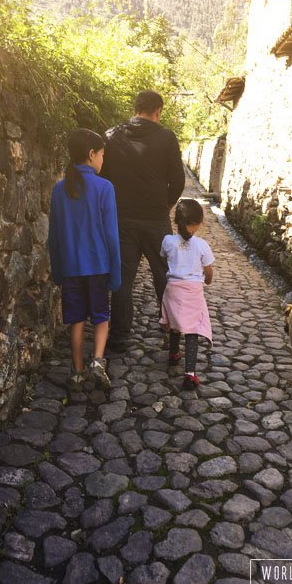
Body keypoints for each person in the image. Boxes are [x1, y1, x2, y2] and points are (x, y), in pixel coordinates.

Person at [102, 90, 185, 352]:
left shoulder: (111, 136)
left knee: (123, 279)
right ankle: (170, 330)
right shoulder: (166, 138)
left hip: (121, 219)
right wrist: (165, 205)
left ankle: (119, 337)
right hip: (155, 219)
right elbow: (179, 180)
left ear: (135, 107)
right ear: (157, 111)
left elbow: (103, 177)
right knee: (165, 276)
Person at [48, 128, 121, 391]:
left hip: (70, 267)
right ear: (91, 155)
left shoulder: (59, 189)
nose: (103, 160)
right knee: (101, 316)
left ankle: (77, 371)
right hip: (99, 266)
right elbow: (111, 234)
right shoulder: (105, 188)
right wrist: (116, 270)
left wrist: (57, 270)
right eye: (102, 154)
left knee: (76, 319)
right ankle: (98, 362)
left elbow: (53, 236)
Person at [159, 198, 214, 390]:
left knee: (175, 323)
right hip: (192, 291)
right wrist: (207, 281)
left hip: (173, 288)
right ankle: (190, 374)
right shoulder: (202, 245)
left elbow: (163, 257)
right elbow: (208, 272)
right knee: (192, 329)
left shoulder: (168, 241)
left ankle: (174, 354)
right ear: (198, 223)